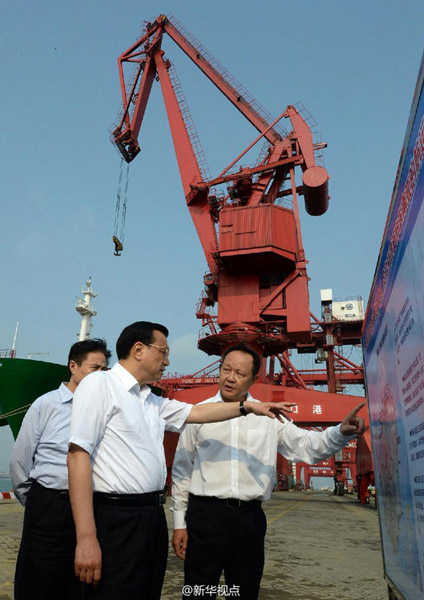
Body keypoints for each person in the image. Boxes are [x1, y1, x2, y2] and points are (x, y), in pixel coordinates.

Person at [67, 321, 292, 600]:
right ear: (139, 350)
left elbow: (197, 413)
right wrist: (86, 538)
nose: (167, 361)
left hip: (150, 516)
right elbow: (77, 456)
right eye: (163, 352)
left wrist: (247, 407)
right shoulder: (101, 384)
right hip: (116, 517)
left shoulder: (151, 400)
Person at [171, 342, 366, 600]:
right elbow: (182, 470)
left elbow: (308, 446)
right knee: (198, 591)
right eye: (226, 369)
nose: (230, 378)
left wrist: (340, 432)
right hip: (205, 516)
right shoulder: (199, 414)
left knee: (244, 591)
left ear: (254, 379)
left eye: (239, 373)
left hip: (248, 519)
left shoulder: (269, 418)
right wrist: (179, 523)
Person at [10, 338, 111, 600]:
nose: (100, 375)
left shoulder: (105, 409)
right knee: (39, 577)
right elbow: (21, 459)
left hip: (92, 505)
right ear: (73, 366)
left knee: (83, 579)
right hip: (50, 504)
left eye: (105, 369)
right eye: (94, 368)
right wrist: (36, 500)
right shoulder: (46, 404)